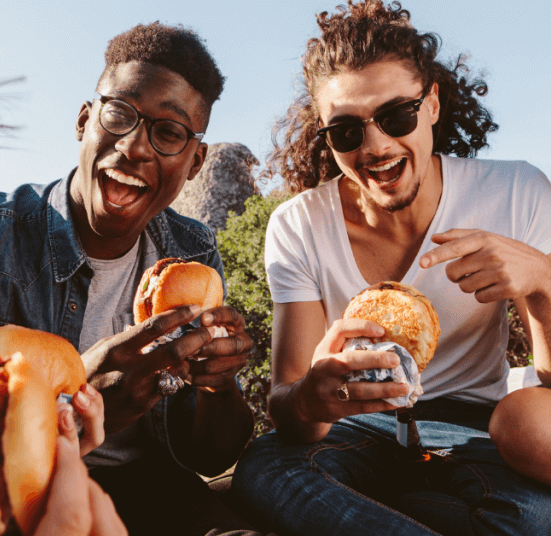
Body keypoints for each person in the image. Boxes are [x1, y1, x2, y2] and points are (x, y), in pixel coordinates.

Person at [0, 21, 264, 536]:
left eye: (168, 133)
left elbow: (209, 457)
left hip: (153, 493)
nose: (136, 147)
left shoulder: (194, 253)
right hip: (12, 503)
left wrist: (218, 385)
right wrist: (75, 402)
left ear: (194, 163)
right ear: (84, 120)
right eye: (120, 114)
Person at [230, 1, 551, 534]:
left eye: (396, 115)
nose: (376, 146)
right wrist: (312, 395)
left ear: (432, 105)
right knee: (265, 471)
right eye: (347, 131)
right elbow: (287, 405)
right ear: (326, 138)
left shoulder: (516, 193)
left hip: (475, 426)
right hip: (356, 426)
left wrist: (542, 280)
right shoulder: (298, 226)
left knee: (536, 515)